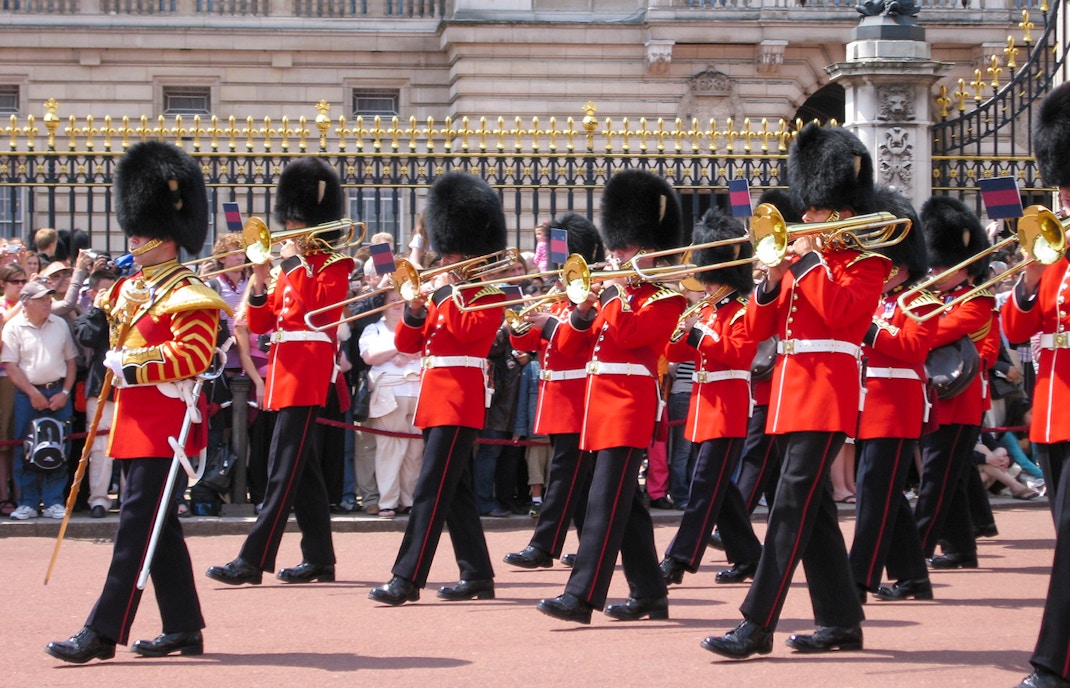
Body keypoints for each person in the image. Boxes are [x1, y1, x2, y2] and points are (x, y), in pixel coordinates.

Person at [701, 124, 888, 658]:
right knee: (816, 511)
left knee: (787, 509)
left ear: (843, 212)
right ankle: (841, 621)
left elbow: (844, 315)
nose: (804, 219)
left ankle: (757, 624)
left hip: (827, 394)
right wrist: (766, 280)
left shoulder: (867, 262)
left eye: (815, 210)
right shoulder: (800, 263)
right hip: (787, 394)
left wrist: (805, 261)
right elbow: (758, 330)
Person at [44, 140, 228, 662]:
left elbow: (193, 354)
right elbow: (92, 326)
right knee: (158, 529)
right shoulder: (131, 288)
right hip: (134, 421)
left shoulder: (190, 291)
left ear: (167, 238)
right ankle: (184, 627)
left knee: (133, 532)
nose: (133, 237)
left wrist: (133, 363)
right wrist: (97, 313)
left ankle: (103, 631)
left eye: (142, 231)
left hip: (165, 424)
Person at [536, 169, 686, 624]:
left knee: (603, 504)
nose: (615, 255)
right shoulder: (611, 297)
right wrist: (580, 314)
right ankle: (649, 593)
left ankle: (581, 596)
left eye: (623, 248)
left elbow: (629, 335)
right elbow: (568, 347)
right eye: (615, 247)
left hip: (629, 407)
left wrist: (612, 295)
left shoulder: (665, 299)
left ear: (649, 250)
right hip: (599, 408)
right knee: (630, 509)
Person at [206, 156, 353, 586]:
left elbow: (319, 315)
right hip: (282, 371)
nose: (288, 229)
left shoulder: (334, 266)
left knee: (281, 470)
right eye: (287, 221)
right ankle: (320, 559)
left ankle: (253, 560)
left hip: (307, 372)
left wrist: (289, 267)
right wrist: (259, 277)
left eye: (295, 222)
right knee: (301, 471)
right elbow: (267, 321)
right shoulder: (289, 268)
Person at [368, 171, 507, 606]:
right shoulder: (437, 292)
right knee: (458, 491)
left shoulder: (487, 293)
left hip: (460, 397)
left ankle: (407, 577)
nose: (442, 260)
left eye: (449, 254)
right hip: (435, 396)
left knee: (430, 489)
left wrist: (445, 294)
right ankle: (478, 574)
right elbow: (408, 345)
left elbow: (467, 333)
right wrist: (412, 309)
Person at [659, 206, 763, 587]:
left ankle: (678, 559)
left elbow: (739, 354)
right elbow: (676, 355)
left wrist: (700, 334)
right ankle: (751, 556)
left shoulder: (741, 310)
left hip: (729, 406)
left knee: (703, 488)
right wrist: (681, 331)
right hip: (706, 406)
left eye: (708, 277)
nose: (703, 285)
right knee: (723, 490)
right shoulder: (710, 311)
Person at [1005, 81, 1070, 688]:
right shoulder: (1052, 252)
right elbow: (1019, 326)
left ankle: (1053, 665)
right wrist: (1028, 278)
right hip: (1052, 409)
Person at [847, 186, 938, 602]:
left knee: (873, 493)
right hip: (870, 406)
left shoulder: (920, 299)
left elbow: (912, 349)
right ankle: (913, 577)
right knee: (887, 496)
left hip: (897, 408)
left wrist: (867, 326)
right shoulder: (880, 299)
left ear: (901, 267)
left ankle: (857, 578)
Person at [503, 211, 603, 569]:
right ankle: (594, 545)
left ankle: (544, 546)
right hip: (557, 397)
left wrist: (548, 326)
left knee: (564, 477)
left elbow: (574, 343)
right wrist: (519, 327)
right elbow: (530, 339)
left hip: (579, 398)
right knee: (580, 482)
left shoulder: (589, 301)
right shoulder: (557, 299)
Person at [911, 196, 994, 571]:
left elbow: (934, 335)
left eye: (944, 265)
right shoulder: (939, 297)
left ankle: (915, 550)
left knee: (935, 479)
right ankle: (961, 548)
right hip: (935, 399)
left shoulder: (976, 302)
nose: (937, 271)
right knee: (954, 480)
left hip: (960, 402)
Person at [2, 279, 78, 520]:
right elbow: (11, 367)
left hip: (58, 391)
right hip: (26, 395)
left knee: (60, 447)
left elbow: (71, 362)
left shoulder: (59, 324)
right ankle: (27, 502)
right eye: (42, 299)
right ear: (26, 303)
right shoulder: (13, 327)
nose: (48, 303)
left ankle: (54, 500)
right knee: (25, 448)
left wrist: (65, 392)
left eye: (49, 298)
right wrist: (32, 393)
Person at [358, 288, 424, 519]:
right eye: (392, 300)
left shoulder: (418, 325)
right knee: (389, 449)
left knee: (415, 451)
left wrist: (402, 352)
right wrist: (403, 347)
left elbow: (424, 352)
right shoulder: (373, 329)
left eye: (401, 300)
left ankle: (409, 499)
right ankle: (388, 501)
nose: (397, 304)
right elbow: (369, 356)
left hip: (417, 390)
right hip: (388, 392)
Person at [71, 268, 120, 518]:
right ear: (92, 293)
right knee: (100, 446)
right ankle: (98, 499)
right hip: (101, 387)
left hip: (130, 386)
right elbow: (87, 337)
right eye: (104, 291)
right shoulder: (88, 317)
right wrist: (99, 309)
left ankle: (128, 496)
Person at [0, 262, 29, 517]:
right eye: (15, 282)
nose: (20, 287)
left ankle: (20, 495)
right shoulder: (4, 305)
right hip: (4, 376)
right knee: (3, 442)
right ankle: (4, 495)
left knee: (16, 440)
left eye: (23, 282)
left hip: (25, 378)